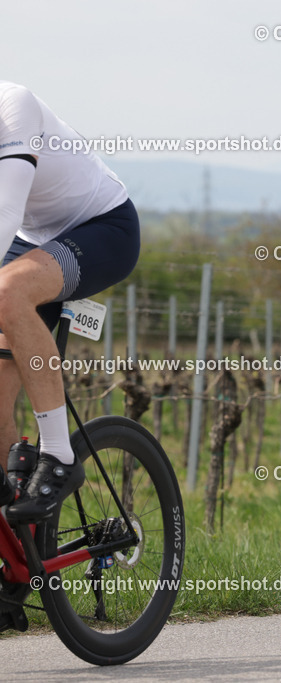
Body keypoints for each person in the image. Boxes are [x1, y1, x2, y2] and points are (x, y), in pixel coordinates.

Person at [0, 81, 140, 521]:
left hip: (101, 227)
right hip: (30, 240)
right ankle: (18, 548)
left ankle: (59, 456)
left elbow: (5, 212)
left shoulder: (13, 105)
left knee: (7, 291)